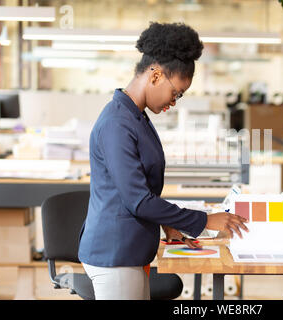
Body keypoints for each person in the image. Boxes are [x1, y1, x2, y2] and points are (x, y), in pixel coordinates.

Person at [77, 22, 248, 300]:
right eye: (176, 92)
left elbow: (138, 192)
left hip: (130, 248)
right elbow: (138, 200)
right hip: (114, 252)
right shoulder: (117, 123)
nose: (175, 101)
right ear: (155, 75)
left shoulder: (136, 116)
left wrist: (169, 224)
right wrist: (204, 220)